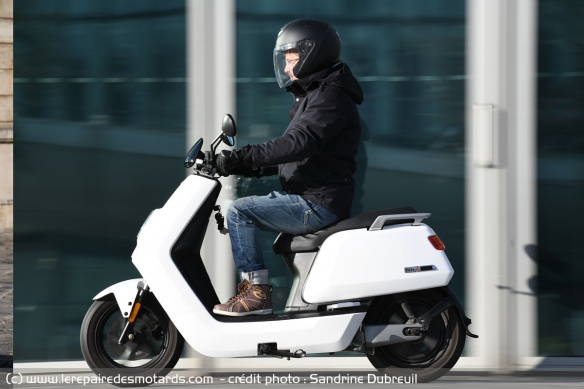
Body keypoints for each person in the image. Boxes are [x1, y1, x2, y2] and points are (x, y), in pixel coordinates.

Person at [213, 19, 363, 316]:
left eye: (291, 59)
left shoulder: (328, 98)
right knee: (244, 207)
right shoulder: (316, 95)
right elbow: (304, 154)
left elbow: (299, 143)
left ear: (312, 55)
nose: (285, 68)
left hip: (318, 202)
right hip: (316, 195)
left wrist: (242, 157)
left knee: (240, 212)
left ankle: (256, 294)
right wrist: (254, 169)